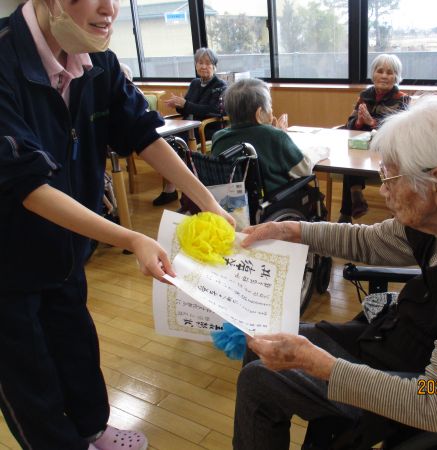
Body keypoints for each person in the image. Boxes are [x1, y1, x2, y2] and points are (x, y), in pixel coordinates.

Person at [232, 95, 437, 449]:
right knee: (263, 343)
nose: (383, 189)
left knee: (258, 382)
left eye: (390, 177)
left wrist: (319, 365)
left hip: (415, 381)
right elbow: (369, 242)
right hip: (398, 341)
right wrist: (288, 230)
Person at [0, 1, 234, 449]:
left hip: (67, 247)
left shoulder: (98, 63)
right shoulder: (5, 60)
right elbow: (25, 183)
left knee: (75, 344)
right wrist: (131, 237)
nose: (110, 9)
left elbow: (143, 134)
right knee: (28, 375)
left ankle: (92, 429)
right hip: (8, 257)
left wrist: (208, 203)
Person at [339, 54, 411, 224]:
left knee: (355, 158)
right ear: (373, 74)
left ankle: (355, 194)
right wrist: (358, 121)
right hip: (362, 149)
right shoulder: (365, 95)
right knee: (350, 158)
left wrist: (372, 122)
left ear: (396, 77)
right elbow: (349, 124)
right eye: (380, 71)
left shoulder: (402, 99)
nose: (384, 76)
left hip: (387, 151)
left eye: (390, 72)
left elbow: (400, 130)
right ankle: (350, 207)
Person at [211, 78, 313, 194]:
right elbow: (305, 169)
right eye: (270, 106)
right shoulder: (275, 136)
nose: (272, 110)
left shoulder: (218, 137)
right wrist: (280, 134)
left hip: (232, 202)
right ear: (259, 114)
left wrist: (273, 131)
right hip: (273, 201)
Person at [154, 47, 228, 206]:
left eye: (208, 63)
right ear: (195, 65)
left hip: (207, 129)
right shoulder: (195, 83)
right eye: (200, 63)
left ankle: (186, 192)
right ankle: (171, 189)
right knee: (165, 144)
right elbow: (187, 108)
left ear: (215, 66)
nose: (203, 66)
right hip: (189, 128)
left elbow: (213, 110)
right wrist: (178, 105)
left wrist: (185, 104)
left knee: (176, 145)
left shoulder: (220, 85)